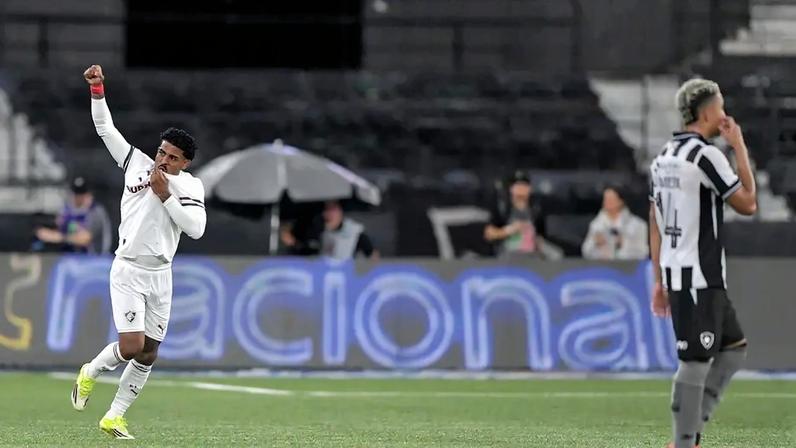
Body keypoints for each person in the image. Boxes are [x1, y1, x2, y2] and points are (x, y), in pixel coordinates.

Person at [70, 65, 207, 440]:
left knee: (149, 353)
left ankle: (114, 416)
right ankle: (90, 372)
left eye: (171, 157)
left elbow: (196, 229)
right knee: (131, 346)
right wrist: (97, 89)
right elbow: (105, 129)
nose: (162, 160)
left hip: (161, 274)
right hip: (128, 268)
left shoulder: (191, 187)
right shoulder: (136, 164)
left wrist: (165, 196)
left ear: (185, 163)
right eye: (161, 152)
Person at [649, 79, 756, 448]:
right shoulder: (706, 156)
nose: (724, 114)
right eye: (721, 107)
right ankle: (683, 442)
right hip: (700, 278)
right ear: (708, 112)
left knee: (734, 348)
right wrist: (739, 146)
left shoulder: (663, 156)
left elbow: (655, 220)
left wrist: (658, 279)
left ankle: (691, 432)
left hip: (685, 276)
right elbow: (748, 203)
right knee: (694, 363)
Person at [34, 176, 112, 254]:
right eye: (76, 193)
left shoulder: (96, 211)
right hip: (73, 259)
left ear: (89, 193)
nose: (78, 197)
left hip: (96, 259)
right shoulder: (68, 210)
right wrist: (48, 233)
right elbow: (60, 226)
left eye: (82, 193)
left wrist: (59, 238)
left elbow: (85, 239)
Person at [484, 171, 547, 257]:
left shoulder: (535, 210)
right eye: (517, 185)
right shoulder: (503, 209)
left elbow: (541, 236)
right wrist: (509, 230)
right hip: (508, 258)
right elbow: (489, 234)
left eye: (524, 185)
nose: (521, 188)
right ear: (511, 188)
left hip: (531, 258)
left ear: (530, 189)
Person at [581, 186, 648, 260]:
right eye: (605, 199)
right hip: (602, 267)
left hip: (630, 268)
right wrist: (595, 243)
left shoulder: (637, 225)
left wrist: (624, 243)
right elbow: (585, 251)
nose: (607, 203)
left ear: (621, 201)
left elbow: (643, 252)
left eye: (611, 199)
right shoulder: (596, 225)